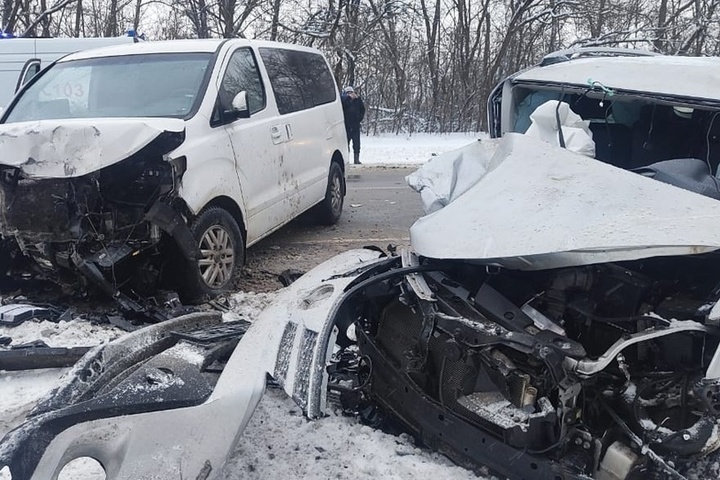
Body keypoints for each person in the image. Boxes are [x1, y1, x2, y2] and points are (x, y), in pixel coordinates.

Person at [341, 86, 365, 164]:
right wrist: (348, 98)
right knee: (345, 144)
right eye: (348, 93)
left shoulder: (358, 100)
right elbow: (342, 106)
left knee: (357, 144)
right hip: (346, 126)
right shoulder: (343, 100)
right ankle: (346, 160)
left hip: (355, 125)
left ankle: (356, 159)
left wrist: (359, 118)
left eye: (351, 92)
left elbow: (362, 109)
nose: (350, 94)